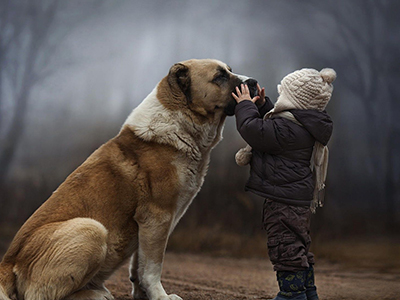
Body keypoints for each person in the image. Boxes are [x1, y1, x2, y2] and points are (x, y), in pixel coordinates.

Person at [232, 68, 336, 300]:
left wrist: (245, 105)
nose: (279, 100)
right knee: (297, 247)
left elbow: (253, 129)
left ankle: (291, 295)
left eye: (283, 95)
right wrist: (261, 106)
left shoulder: (287, 130)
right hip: (295, 198)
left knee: (284, 248)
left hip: (282, 202)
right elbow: (277, 124)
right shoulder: (303, 124)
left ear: (294, 100)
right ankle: (308, 293)